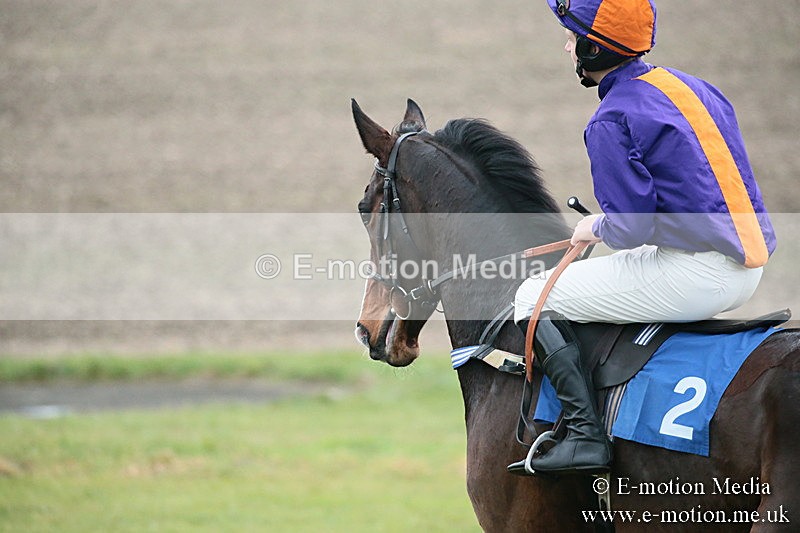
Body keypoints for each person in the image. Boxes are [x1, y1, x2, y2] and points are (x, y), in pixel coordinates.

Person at [510, 0, 776, 475]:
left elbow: (629, 228)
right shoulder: (692, 87)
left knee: (533, 295)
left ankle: (585, 437)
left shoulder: (609, 119)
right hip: (747, 268)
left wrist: (595, 226)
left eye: (572, 37)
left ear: (592, 49)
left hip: (697, 274)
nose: (566, 44)